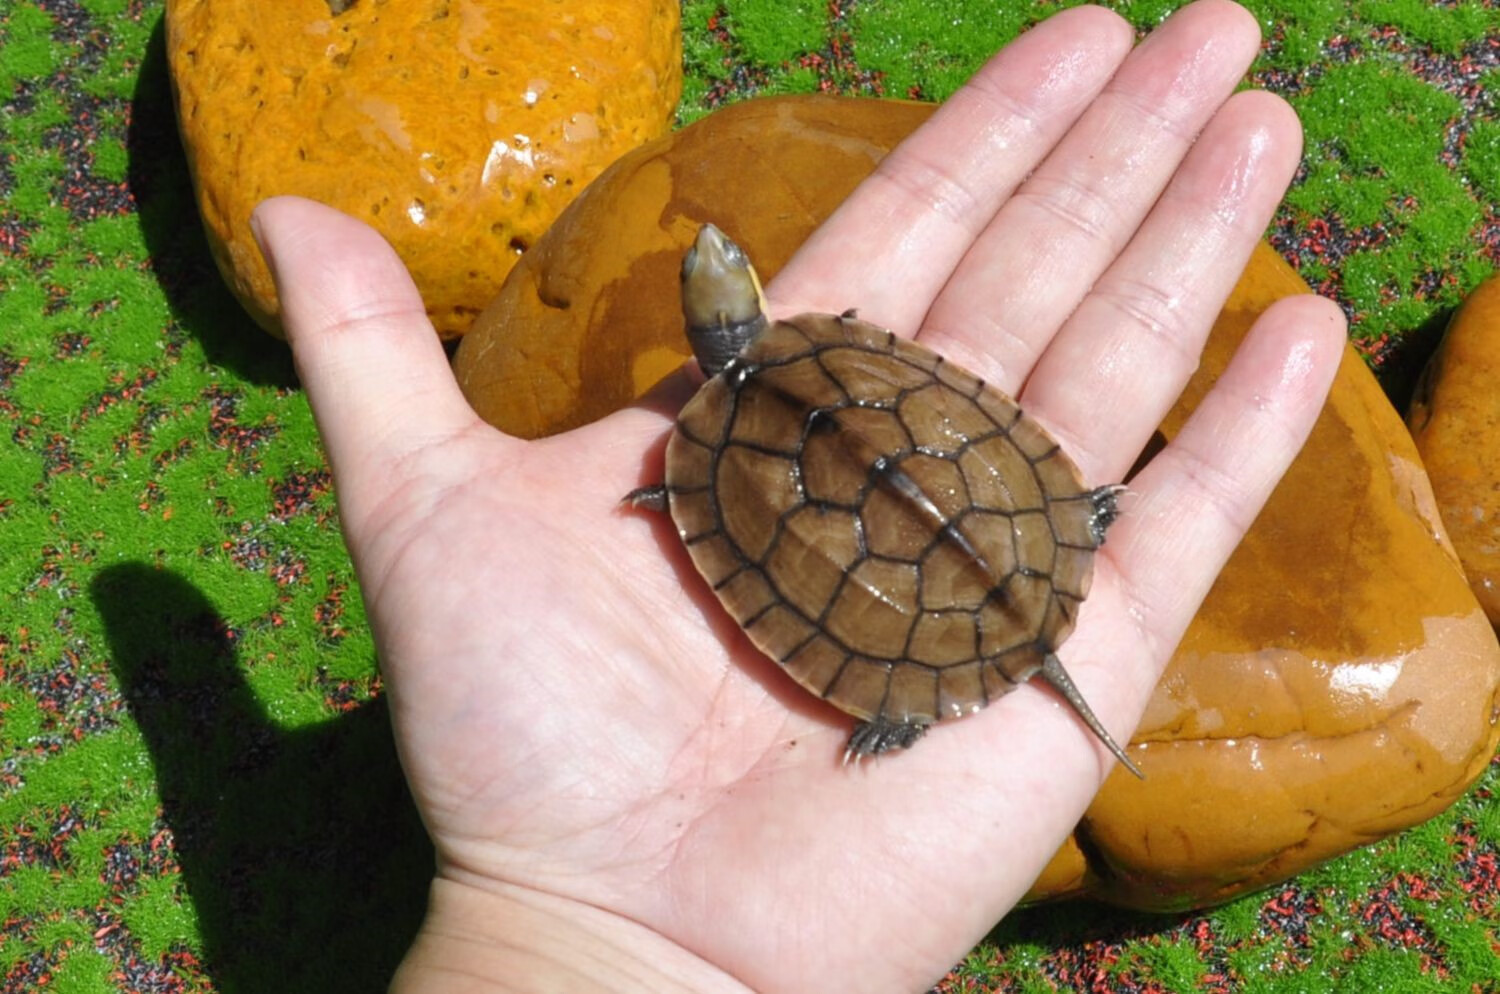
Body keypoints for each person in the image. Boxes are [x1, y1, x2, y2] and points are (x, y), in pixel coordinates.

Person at [249, 2, 1345, 990]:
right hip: (1026, 529)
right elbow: (900, 389)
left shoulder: (698, 463)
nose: (718, 256)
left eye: (718, 268)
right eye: (721, 272)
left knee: (873, 486)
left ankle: (912, 690)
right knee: (895, 471)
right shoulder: (783, 384)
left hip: (929, 584)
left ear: (713, 325)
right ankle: (1061, 536)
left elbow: (764, 510)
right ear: (751, 307)